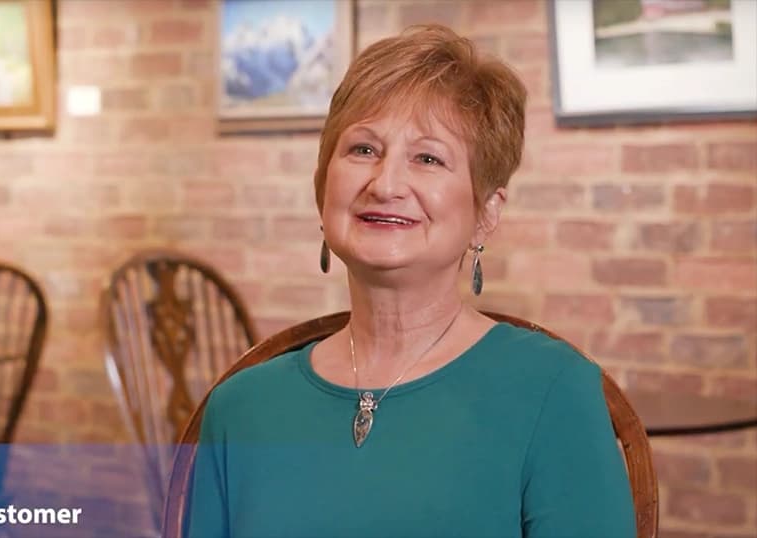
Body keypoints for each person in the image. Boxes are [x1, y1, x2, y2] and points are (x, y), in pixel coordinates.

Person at [186, 24, 635, 537]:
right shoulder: (239, 408)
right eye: (362, 150)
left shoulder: (555, 392)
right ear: (321, 189)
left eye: (427, 158)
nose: (386, 184)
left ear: (486, 212)